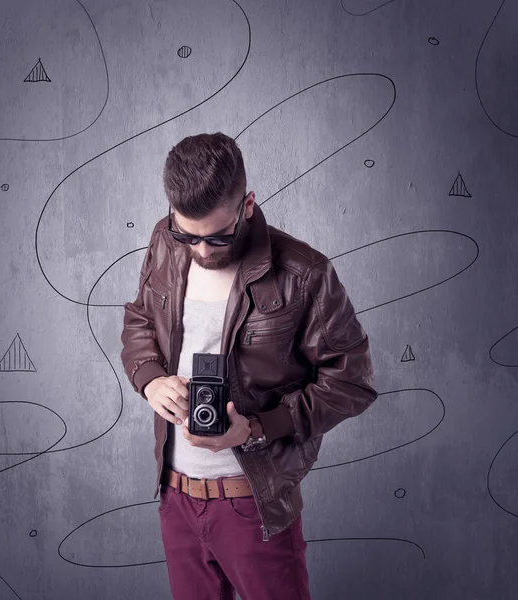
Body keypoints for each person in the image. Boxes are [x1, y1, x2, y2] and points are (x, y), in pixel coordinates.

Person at [120, 132, 378, 600]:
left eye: (216, 236)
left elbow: (353, 382)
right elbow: (140, 318)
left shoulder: (305, 274)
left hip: (252, 501)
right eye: (188, 235)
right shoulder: (164, 240)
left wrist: (257, 427)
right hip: (175, 497)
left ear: (249, 204)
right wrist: (150, 378)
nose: (200, 250)